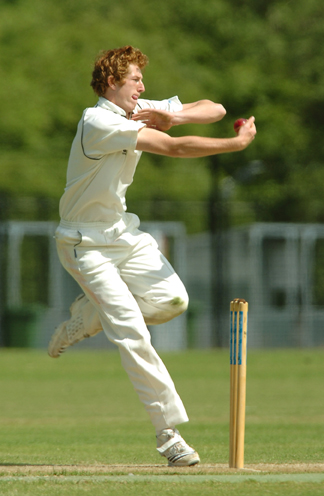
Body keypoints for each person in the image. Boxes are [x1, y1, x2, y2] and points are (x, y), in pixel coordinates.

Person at [48, 45, 256, 467]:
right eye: (135, 79)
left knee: (172, 301)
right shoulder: (98, 121)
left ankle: (89, 316)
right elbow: (174, 149)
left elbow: (213, 107)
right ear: (111, 83)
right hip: (84, 241)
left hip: (123, 232)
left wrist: (172, 114)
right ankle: (169, 436)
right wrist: (234, 145)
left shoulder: (139, 107)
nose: (143, 86)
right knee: (131, 332)